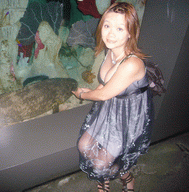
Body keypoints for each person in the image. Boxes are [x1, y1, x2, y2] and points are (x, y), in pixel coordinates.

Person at [72, 2, 154, 192]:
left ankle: (126, 177)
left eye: (119, 28)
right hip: (110, 106)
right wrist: (95, 90)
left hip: (129, 116)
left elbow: (102, 94)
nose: (110, 33)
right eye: (107, 25)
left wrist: (83, 94)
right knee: (84, 145)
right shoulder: (111, 49)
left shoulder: (132, 64)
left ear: (130, 33)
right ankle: (107, 176)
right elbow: (106, 84)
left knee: (104, 162)